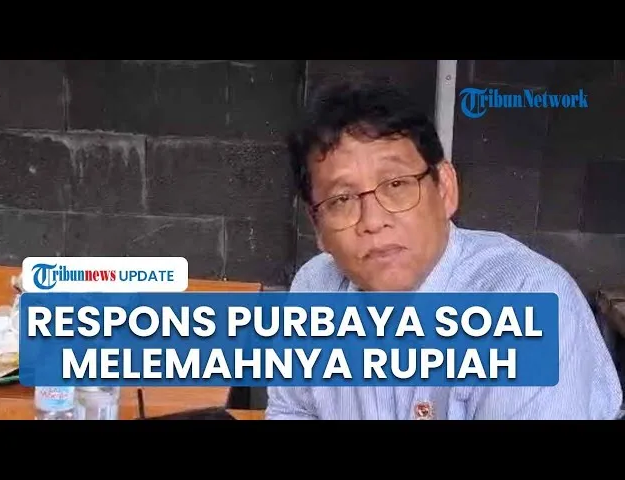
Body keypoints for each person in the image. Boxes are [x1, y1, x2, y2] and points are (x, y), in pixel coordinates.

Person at [265, 76, 623, 420]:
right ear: (318, 228)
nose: (372, 220)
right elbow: (293, 410)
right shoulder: (315, 289)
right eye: (342, 199)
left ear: (445, 189)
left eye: (396, 184)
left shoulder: (528, 300)